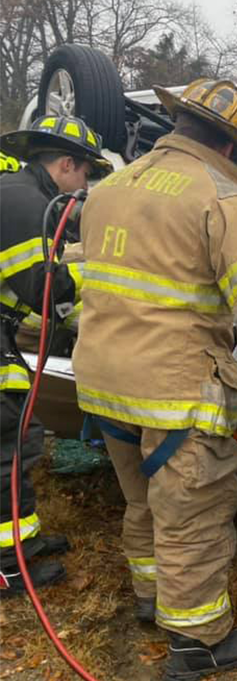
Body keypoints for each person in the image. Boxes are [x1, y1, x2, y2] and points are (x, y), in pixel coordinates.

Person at [72, 79, 237, 681]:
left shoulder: (110, 186)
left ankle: (152, 602)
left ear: (178, 125)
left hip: (103, 384)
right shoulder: (223, 199)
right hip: (175, 392)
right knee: (193, 517)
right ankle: (199, 643)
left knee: (143, 501)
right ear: (232, 146)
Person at [0, 115, 112, 597]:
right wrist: (102, 282)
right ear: (67, 164)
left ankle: (22, 543)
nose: (85, 184)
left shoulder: (26, 193)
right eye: (86, 172)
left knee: (20, 437)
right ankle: (7, 567)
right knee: (7, 443)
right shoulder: (26, 202)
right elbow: (40, 287)